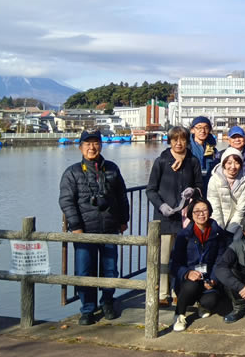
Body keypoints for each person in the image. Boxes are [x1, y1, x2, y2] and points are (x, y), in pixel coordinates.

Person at [58, 130, 130, 325]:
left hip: (109, 227)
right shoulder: (72, 172)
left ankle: (107, 301)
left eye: (96, 143)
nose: (92, 147)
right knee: (84, 271)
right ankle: (87, 309)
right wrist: (77, 227)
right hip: (84, 230)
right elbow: (66, 201)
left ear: (101, 145)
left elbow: (122, 196)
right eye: (87, 144)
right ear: (80, 147)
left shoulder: (112, 169)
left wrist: (124, 219)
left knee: (110, 269)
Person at [147, 125, 204, 305]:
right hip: (164, 218)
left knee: (182, 256)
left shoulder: (193, 161)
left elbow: (200, 186)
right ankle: (163, 293)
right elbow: (151, 190)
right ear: (170, 141)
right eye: (175, 139)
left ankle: (178, 290)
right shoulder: (161, 161)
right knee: (163, 257)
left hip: (185, 219)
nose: (179, 143)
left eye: (182, 139)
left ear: (187, 141)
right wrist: (161, 205)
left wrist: (193, 191)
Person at [169, 198, 229, 332]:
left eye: (204, 210)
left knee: (211, 301)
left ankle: (202, 305)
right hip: (188, 281)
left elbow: (220, 261)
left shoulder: (218, 234)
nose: (201, 214)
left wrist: (213, 279)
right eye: (196, 211)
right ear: (191, 214)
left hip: (207, 280)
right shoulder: (183, 235)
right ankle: (179, 314)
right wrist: (187, 273)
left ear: (210, 212)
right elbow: (174, 264)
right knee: (191, 285)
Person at [207, 147, 245, 237]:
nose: (233, 167)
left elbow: (241, 209)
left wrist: (231, 230)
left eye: (237, 163)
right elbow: (214, 206)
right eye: (229, 163)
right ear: (223, 164)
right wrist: (220, 228)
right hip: (217, 222)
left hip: (235, 224)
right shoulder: (214, 179)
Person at [189, 116, 218, 187]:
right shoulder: (186, 147)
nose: (203, 131)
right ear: (192, 130)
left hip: (208, 186)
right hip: (190, 186)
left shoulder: (213, 149)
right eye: (199, 127)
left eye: (206, 127)